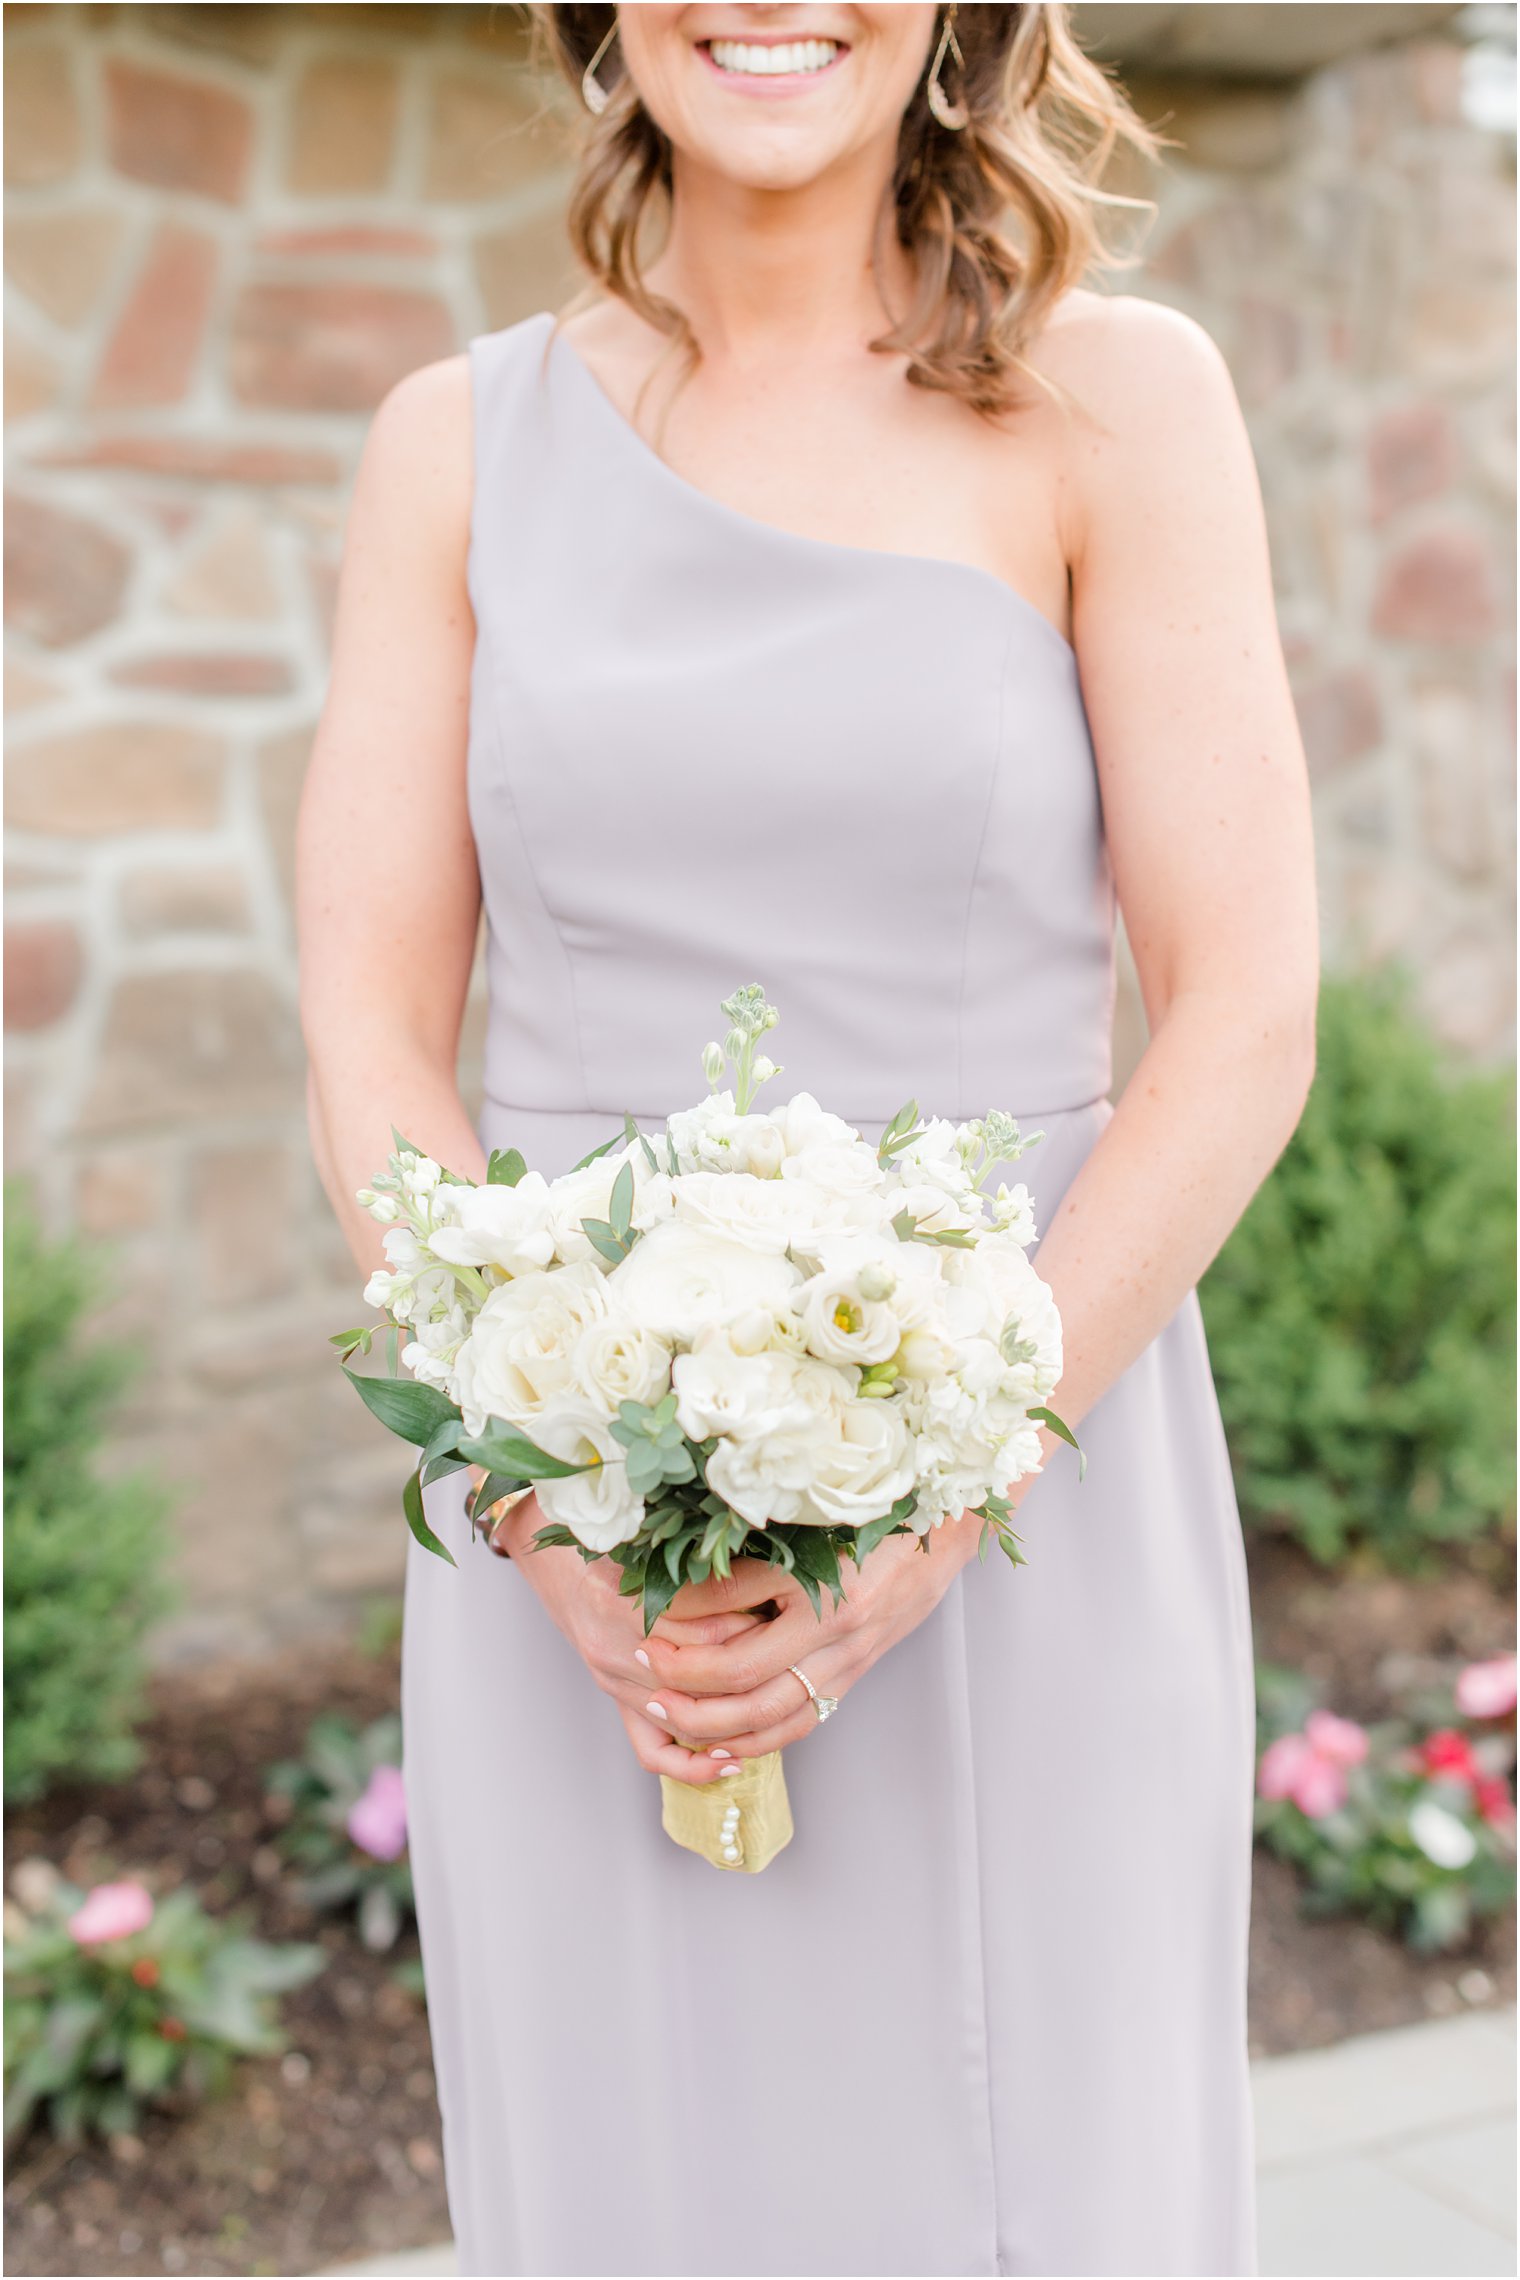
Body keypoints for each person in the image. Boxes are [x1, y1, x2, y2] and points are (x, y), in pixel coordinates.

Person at [298, 6, 1318, 2273]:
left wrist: (940, 1509)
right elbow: (372, 1019)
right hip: (568, 1545)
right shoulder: (450, 449)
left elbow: (1244, 1016)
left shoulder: (1112, 404)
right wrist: (534, 1481)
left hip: (1030, 1504)